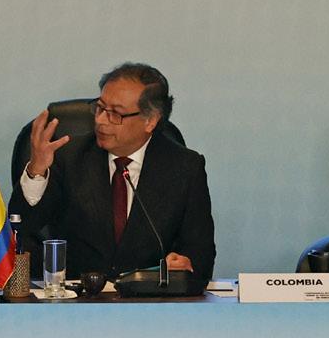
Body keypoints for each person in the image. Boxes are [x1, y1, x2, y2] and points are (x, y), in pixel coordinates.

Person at [12, 62, 215, 280]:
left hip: (150, 297)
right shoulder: (69, 157)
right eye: (100, 108)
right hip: (77, 296)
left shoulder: (185, 168)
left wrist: (183, 266)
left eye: (115, 114)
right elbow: (21, 227)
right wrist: (36, 170)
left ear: (150, 121)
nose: (100, 120)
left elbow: (200, 256)